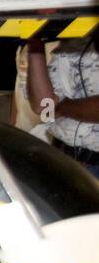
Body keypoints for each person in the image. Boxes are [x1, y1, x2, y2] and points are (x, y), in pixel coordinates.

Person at [26, 35, 99, 176]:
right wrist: (35, 45)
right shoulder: (68, 46)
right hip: (62, 160)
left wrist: (64, 108)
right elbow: (43, 107)